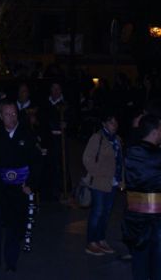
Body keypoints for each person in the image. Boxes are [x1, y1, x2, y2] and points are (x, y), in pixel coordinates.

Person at [0, 100, 43, 273]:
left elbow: (36, 162)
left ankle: (11, 260)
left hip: (19, 189)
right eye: (7, 114)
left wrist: (31, 184)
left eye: (14, 113)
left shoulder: (27, 135)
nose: (11, 117)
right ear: (0, 116)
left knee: (15, 225)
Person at [122, 114, 161, 279]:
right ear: (154, 132)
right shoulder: (157, 157)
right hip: (156, 219)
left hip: (134, 218)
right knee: (157, 264)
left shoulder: (130, 152)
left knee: (139, 262)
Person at [82, 111, 124, 255]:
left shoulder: (117, 139)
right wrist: (100, 173)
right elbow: (87, 159)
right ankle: (91, 241)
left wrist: (120, 179)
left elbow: (120, 161)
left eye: (116, 122)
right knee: (97, 212)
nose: (115, 125)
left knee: (106, 213)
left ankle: (100, 239)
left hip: (112, 183)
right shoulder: (97, 138)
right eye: (111, 122)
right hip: (99, 183)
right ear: (104, 124)